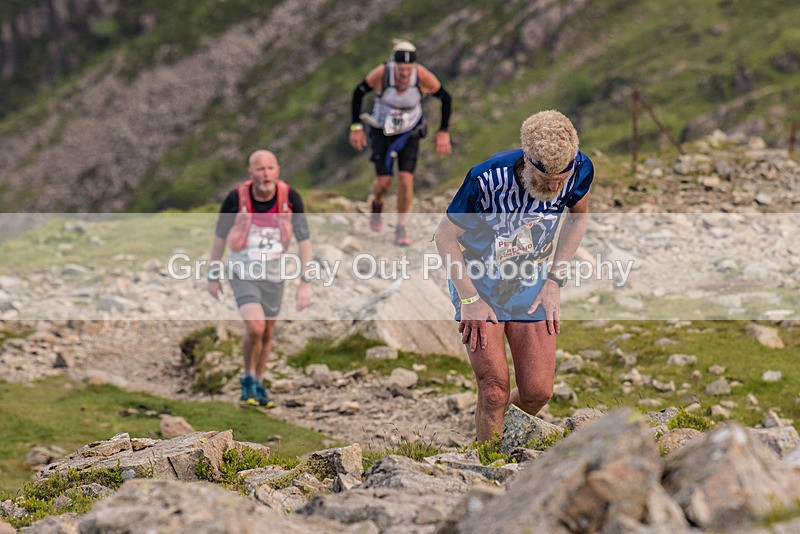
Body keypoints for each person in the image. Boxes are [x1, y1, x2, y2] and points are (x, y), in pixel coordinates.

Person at [434, 110, 594, 442]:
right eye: (545, 176)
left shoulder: (580, 169)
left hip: (529, 280)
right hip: (478, 281)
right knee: (494, 391)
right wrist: (469, 300)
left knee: (538, 391)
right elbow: (445, 237)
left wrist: (554, 282)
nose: (553, 185)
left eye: (560, 178)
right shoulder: (485, 179)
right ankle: (487, 463)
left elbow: (578, 218)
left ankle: (497, 433)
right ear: (527, 159)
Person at [207, 149, 313, 407]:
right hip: (242, 271)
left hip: (274, 275)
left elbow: (304, 241)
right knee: (255, 326)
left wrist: (305, 283)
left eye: (269, 169)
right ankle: (246, 378)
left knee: (267, 332)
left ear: (277, 171)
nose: (265, 174)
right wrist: (213, 275)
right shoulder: (236, 198)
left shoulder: (290, 198)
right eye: (259, 169)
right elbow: (219, 237)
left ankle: (258, 381)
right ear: (250, 173)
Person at [349, 39, 452, 246]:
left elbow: (446, 98)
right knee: (383, 182)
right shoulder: (382, 73)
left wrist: (443, 132)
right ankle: (377, 205)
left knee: (406, 179)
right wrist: (356, 127)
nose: (404, 75)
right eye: (401, 70)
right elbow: (358, 93)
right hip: (382, 131)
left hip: (409, 132)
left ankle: (401, 227)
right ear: (394, 66)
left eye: (408, 70)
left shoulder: (422, 76)